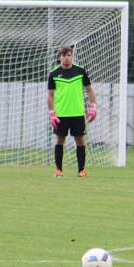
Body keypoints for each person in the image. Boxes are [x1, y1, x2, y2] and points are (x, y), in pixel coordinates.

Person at [47, 46, 97, 177]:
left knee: (80, 140)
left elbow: (89, 90)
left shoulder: (80, 71)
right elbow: (50, 95)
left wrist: (93, 107)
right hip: (61, 114)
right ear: (60, 57)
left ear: (72, 56)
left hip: (78, 113)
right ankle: (58, 170)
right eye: (63, 56)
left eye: (69, 55)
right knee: (59, 140)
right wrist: (51, 112)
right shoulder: (54, 73)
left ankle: (81, 170)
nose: (66, 58)